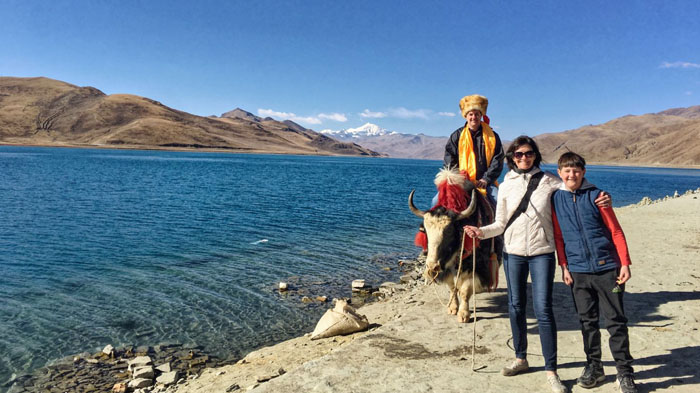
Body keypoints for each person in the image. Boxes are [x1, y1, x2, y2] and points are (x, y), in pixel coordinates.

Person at [463, 136, 610, 393]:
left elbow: (575, 185)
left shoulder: (550, 181)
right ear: (511, 158)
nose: (523, 158)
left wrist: (601, 196)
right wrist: (480, 232)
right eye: (518, 154)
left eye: (528, 153)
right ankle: (521, 358)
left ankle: (551, 370)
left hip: (543, 252)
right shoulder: (505, 185)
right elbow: (499, 224)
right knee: (516, 305)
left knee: (543, 309)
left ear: (535, 155)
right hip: (513, 252)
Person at [551, 152, 637, 393]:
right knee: (587, 322)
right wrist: (564, 266)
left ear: (584, 172)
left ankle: (625, 373)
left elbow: (616, 231)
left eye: (576, 170)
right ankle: (594, 367)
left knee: (616, 322)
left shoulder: (597, 196)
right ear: (559, 173)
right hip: (577, 271)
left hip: (607, 268)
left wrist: (624, 263)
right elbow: (559, 236)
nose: (571, 175)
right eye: (567, 170)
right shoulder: (556, 198)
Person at [443, 94, 504, 203]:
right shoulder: (456, 136)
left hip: (486, 183)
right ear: (466, 116)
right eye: (471, 114)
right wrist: (458, 178)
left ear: (481, 115)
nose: (474, 117)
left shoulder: (493, 136)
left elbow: (498, 160)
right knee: (435, 201)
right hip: (462, 182)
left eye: (477, 114)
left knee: (500, 202)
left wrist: (486, 179)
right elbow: (449, 160)